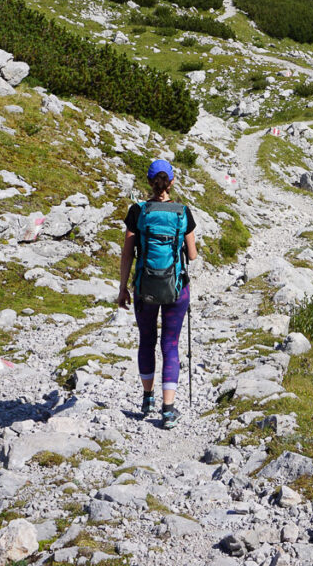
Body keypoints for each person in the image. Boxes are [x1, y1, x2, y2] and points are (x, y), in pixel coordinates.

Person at [118, 158, 198, 428]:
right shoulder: (182, 212)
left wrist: (122, 290)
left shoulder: (138, 211)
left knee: (147, 341)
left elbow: (128, 254)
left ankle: (147, 398)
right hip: (176, 288)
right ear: (171, 181)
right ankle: (168, 409)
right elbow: (193, 255)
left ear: (149, 182)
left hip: (144, 287)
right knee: (171, 345)